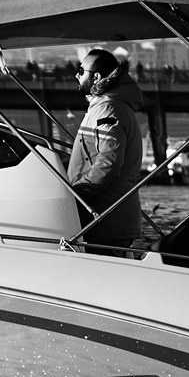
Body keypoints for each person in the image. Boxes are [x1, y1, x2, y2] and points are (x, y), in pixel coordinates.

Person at [67, 47, 147, 247]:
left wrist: (76, 195)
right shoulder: (107, 106)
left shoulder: (107, 109)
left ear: (96, 78)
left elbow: (108, 164)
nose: (77, 74)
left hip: (104, 221)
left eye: (81, 70)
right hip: (110, 219)